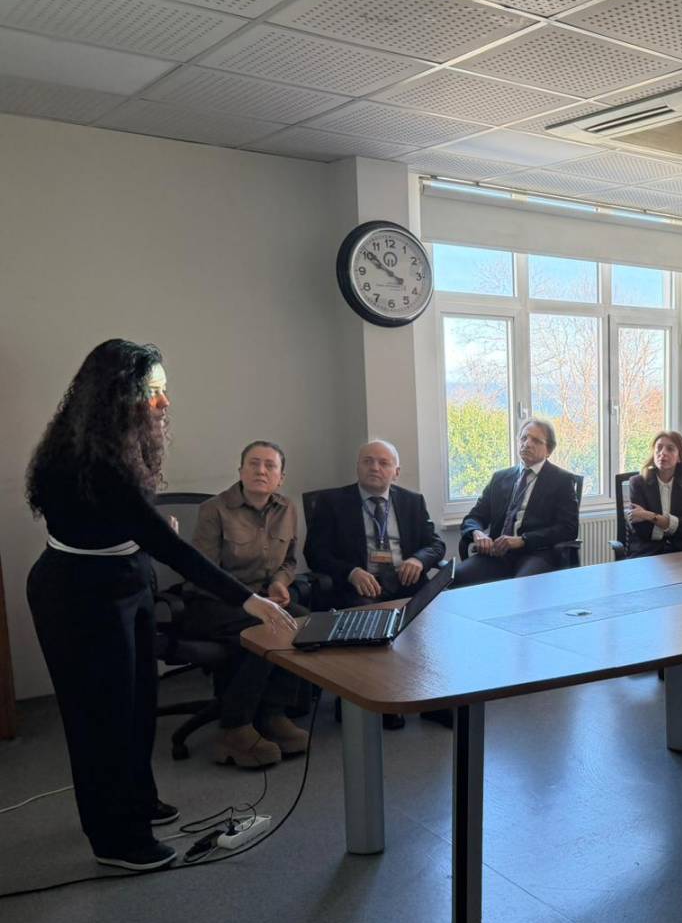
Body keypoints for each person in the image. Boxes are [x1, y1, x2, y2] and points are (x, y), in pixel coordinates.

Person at [25, 340, 296, 871]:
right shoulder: (85, 457)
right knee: (100, 719)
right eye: (153, 391)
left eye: (163, 390)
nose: (164, 402)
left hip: (126, 584)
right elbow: (171, 548)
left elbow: (125, 522)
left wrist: (143, 529)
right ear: (119, 393)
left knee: (137, 704)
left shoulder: (116, 444)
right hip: (80, 596)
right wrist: (250, 600)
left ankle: (137, 801)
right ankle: (115, 840)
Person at [304, 438, 446, 729]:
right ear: (357, 466)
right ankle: (373, 701)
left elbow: (435, 544)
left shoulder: (412, 501)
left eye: (383, 463)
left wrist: (418, 560)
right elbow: (315, 552)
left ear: (396, 472)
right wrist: (351, 572)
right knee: (369, 620)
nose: (375, 468)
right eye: (367, 461)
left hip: (404, 579)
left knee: (438, 615)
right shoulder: (332, 502)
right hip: (358, 584)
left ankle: (433, 699)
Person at [185, 440, 310, 769]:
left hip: (264, 599)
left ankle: (272, 713)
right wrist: (250, 600)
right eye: (254, 463)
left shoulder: (287, 509)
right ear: (240, 471)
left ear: (281, 477)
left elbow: (290, 561)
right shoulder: (214, 509)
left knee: (303, 622)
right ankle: (235, 726)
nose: (261, 471)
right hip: (214, 601)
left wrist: (280, 582)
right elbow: (203, 573)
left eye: (270, 466)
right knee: (269, 630)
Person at [453, 417, 580, 588]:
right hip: (497, 554)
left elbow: (568, 528)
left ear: (549, 450)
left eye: (536, 441)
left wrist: (523, 540)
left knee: (521, 588)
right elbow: (474, 517)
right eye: (524, 438)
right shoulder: (500, 478)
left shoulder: (561, 480)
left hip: (536, 553)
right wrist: (477, 533)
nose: (527, 444)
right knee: (455, 577)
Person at [624, 431, 682, 558]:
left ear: (679, 457)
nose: (662, 453)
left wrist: (648, 515)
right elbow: (643, 530)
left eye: (670, 449)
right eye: (659, 448)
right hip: (646, 553)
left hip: (681, 552)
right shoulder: (637, 483)